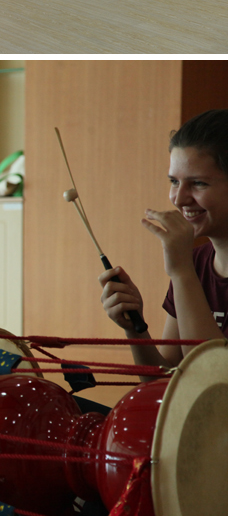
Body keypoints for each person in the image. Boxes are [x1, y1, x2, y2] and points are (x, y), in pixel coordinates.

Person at [100, 109, 228, 371]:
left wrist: (181, 272)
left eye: (199, 184)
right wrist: (135, 329)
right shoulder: (194, 262)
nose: (179, 199)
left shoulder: (185, 267)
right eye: (174, 181)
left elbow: (214, 381)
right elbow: (165, 384)